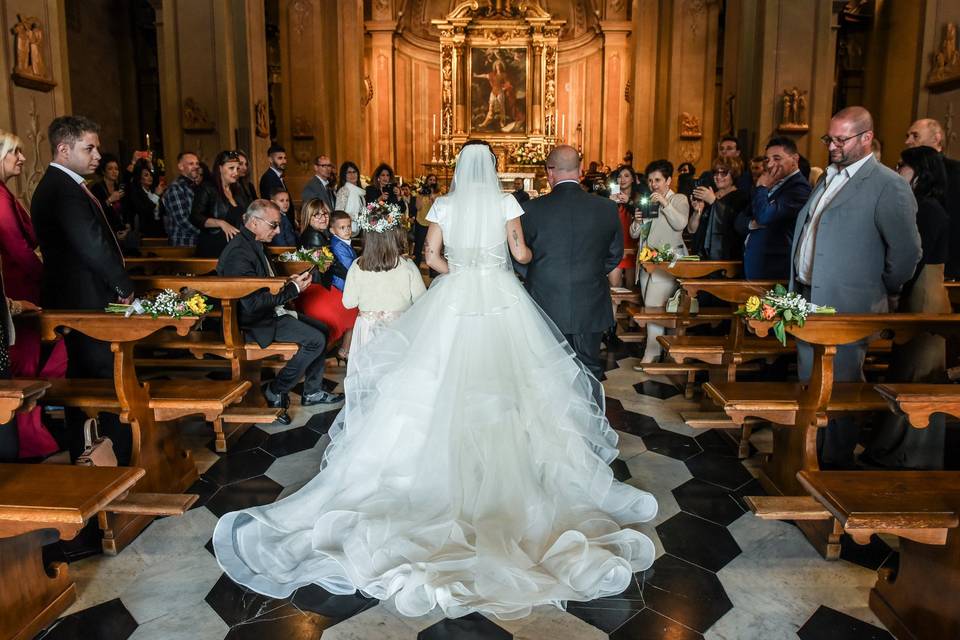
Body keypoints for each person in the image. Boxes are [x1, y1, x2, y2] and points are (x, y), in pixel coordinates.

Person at [212, 141, 657, 619]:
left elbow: (431, 256)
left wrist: (460, 272)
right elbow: (519, 250)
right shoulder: (508, 202)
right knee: (517, 383)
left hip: (457, 293)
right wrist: (504, 267)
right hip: (501, 297)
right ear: (492, 169)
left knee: (437, 378)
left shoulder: (442, 203)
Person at [790, 106, 921, 469]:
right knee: (809, 380)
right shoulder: (828, 177)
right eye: (828, 138)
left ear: (866, 138)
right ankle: (808, 457)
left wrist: (878, 287)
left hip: (849, 304)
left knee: (841, 388)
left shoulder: (887, 185)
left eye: (840, 139)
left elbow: (908, 253)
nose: (832, 145)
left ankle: (833, 464)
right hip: (808, 297)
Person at [32, 115, 135, 463]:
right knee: (101, 375)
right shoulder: (61, 189)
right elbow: (91, 244)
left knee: (91, 375)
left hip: (83, 295)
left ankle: (95, 453)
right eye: (88, 148)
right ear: (63, 149)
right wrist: (122, 283)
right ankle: (110, 457)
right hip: (84, 298)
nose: (97, 155)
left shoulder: (67, 185)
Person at [216, 199, 343, 425]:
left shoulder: (252, 243)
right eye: (273, 225)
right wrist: (293, 290)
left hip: (270, 311)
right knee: (315, 340)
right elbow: (252, 304)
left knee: (324, 329)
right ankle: (276, 389)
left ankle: (312, 392)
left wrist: (289, 281)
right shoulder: (239, 253)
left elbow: (264, 282)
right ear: (254, 222)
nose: (278, 230)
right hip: (255, 322)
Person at [864, 145, 951, 469]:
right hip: (919, 290)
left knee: (918, 376)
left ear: (921, 171)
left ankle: (911, 453)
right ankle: (891, 446)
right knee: (904, 371)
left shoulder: (928, 209)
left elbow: (913, 257)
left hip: (924, 295)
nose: (897, 170)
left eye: (903, 166)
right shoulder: (921, 205)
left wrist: (894, 290)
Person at [521, 145, 624, 379]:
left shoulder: (529, 210)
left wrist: (539, 275)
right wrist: (591, 273)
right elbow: (614, 254)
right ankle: (591, 413)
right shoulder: (607, 208)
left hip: (545, 299)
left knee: (550, 369)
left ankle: (554, 416)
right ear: (580, 170)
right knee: (590, 368)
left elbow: (519, 256)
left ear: (550, 172)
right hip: (591, 300)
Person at [0, 130, 62, 458]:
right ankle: (26, 438)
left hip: (25, 282)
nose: (22, 158)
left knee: (38, 360)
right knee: (23, 365)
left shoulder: (6, 194)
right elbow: (18, 251)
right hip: (16, 288)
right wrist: (51, 279)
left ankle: (32, 431)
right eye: (15, 152)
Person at [341, 211, 426, 369]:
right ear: (394, 236)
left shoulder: (357, 265)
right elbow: (423, 301)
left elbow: (348, 303)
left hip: (368, 330)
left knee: (368, 372)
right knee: (396, 372)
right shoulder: (407, 265)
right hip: (399, 329)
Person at [629, 159, 689, 363]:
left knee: (655, 307)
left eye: (658, 180)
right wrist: (637, 221)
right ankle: (661, 349)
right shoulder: (649, 201)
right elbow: (637, 234)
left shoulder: (678, 199)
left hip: (667, 262)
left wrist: (665, 204)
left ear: (668, 180)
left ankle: (652, 353)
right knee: (651, 306)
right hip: (647, 262)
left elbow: (681, 224)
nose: (654, 184)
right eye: (651, 180)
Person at [735, 136, 811, 280]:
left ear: (795, 159)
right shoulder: (770, 183)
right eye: (767, 159)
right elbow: (739, 221)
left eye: (777, 158)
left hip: (773, 266)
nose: (770, 164)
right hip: (753, 260)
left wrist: (762, 188)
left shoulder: (799, 188)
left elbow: (764, 216)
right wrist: (752, 224)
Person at [296, 200, 355, 356]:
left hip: (318, 285)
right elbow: (333, 265)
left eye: (325, 213)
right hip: (314, 289)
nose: (322, 218)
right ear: (308, 217)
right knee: (354, 307)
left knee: (355, 302)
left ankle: (343, 349)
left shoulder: (319, 234)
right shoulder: (314, 236)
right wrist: (356, 277)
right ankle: (342, 350)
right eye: (317, 215)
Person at [903, 117, 960, 278]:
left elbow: (954, 220)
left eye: (915, 136)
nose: (908, 141)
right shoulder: (908, 171)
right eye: (907, 136)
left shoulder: (954, 172)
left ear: (936, 138)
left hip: (941, 266)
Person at [688, 156, 749, 260]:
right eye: (716, 173)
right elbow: (691, 229)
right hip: (700, 255)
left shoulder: (741, 197)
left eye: (724, 173)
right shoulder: (709, 195)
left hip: (724, 256)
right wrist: (697, 212)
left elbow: (734, 224)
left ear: (733, 175)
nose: (718, 176)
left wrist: (713, 202)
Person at [192, 150, 250, 258]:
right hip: (213, 247)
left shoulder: (237, 189)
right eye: (231, 168)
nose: (236, 172)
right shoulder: (207, 188)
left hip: (235, 248)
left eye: (237, 168)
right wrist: (221, 223)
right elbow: (195, 217)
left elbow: (245, 212)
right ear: (220, 168)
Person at [327, 210, 359, 360]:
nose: (347, 230)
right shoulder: (338, 245)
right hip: (342, 285)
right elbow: (350, 266)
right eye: (342, 227)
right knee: (356, 313)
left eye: (349, 226)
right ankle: (345, 351)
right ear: (332, 230)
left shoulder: (342, 242)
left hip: (347, 282)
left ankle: (347, 349)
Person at [608, 164, 641, 288]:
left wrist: (629, 202)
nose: (622, 179)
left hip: (633, 247)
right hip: (615, 248)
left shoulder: (638, 198)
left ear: (633, 179)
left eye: (626, 176)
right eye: (620, 176)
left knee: (631, 289)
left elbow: (642, 216)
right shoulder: (612, 197)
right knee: (614, 288)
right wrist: (609, 204)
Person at [162, 151, 202, 247]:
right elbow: (183, 220)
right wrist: (205, 233)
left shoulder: (196, 186)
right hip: (183, 242)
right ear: (181, 167)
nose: (196, 166)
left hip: (197, 242)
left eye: (197, 163)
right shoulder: (176, 188)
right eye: (191, 164)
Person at [123, 158, 166, 238]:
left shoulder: (153, 190)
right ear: (140, 179)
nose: (150, 177)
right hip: (145, 233)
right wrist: (156, 196)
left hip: (160, 231)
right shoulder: (137, 194)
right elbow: (145, 210)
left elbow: (162, 212)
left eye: (150, 175)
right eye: (146, 175)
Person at [90, 153, 127, 234]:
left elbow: (126, 210)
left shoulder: (119, 187)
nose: (114, 172)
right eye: (110, 169)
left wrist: (127, 227)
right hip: (105, 231)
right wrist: (110, 200)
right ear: (103, 171)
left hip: (121, 230)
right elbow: (95, 211)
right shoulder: (97, 188)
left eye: (116, 169)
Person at [413, 173, 439, 268]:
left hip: (432, 224)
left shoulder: (438, 194)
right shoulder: (420, 193)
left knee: (432, 248)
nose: (432, 181)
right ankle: (416, 267)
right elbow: (418, 207)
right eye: (430, 179)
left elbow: (436, 208)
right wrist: (420, 195)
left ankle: (433, 271)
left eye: (434, 180)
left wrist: (431, 195)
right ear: (426, 181)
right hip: (421, 222)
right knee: (418, 248)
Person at [334, 161, 366, 234]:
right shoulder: (344, 190)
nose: (352, 175)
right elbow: (339, 214)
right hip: (347, 230)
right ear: (344, 175)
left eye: (354, 172)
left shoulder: (360, 191)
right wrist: (359, 216)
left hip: (359, 229)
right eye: (349, 172)